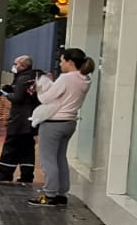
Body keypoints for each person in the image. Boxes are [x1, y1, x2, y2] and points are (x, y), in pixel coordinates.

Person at [30, 48, 96, 207]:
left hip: (54, 123)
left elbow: (46, 98)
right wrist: (53, 83)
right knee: (60, 158)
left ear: (70, 62)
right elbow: (64, 96)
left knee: (48, 160)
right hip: (70, 122)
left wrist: (41, 85)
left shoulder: (66, 78)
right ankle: (61, 193)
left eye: (62, 61)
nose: (60, 64)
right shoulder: (84, 79)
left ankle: (49, 194)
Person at [0, 55, 41, 185]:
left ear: (23, 66)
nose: (14, 66)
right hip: (32, 119)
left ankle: (5, 173)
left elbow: (17, 98)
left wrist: (7, 94)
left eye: (16, 64)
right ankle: (27, 175)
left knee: (10, 147)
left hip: (19, 120)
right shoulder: (34, 78)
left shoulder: (22, 79)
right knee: (28, 148)